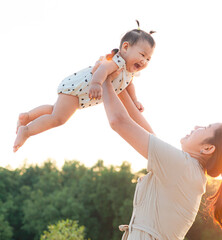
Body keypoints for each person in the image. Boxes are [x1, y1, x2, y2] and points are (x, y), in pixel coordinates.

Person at [100, 69, 222, 239]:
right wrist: (121, 86)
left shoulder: (184, 168)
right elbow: (143, 131)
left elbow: (119, 122)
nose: (196, 127)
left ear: (208, 149)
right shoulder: (188, 170)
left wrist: (104, 79)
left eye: (205, 128)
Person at [13, 20, 155, 152]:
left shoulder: (129, 72)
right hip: (78, 89)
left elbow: (129, 85)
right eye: (142, 55)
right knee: (58, 118)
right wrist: (96, 83)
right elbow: (102, 69)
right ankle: (26, 131)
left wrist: (135, 100)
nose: (144, 61)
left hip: (79, 92)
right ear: (125, 47)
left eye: (148, 59)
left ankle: (27, 116)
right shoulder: (117, 62)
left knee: (54, 111)